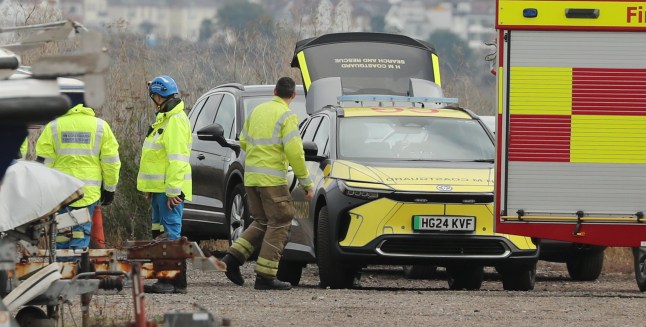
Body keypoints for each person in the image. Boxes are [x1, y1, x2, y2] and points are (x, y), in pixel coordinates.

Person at [221, 76, 314, 290]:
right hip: (272, 179)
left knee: (262, 222)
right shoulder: (287, 116)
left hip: (251, 178)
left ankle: (231, 260)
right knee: (281, 220)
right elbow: (295, 152)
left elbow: (243, 141)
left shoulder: (257, 111)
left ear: (274, 91)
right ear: (293, 95)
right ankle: (265, 276)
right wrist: (306, 183)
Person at [35, 95, 121, 255]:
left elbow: (44, 164)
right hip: (87, 193)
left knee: (61, 235)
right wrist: (109, 189)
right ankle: (75, 272)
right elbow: (111, 163)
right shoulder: (101, 126)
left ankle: (62, 274)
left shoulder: (53, 127)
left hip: (60, 194)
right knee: (80, 234)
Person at [137, 75, 192, 294]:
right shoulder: (165, 119)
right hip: (160, 189)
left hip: (169, 190)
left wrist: (172, 191)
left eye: (154, 96)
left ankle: (171, 281)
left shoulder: (175, 120)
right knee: (161, 233)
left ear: (158, 96)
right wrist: (152, 189)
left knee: (170, 234)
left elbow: (177, 159)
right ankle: (174, 281)